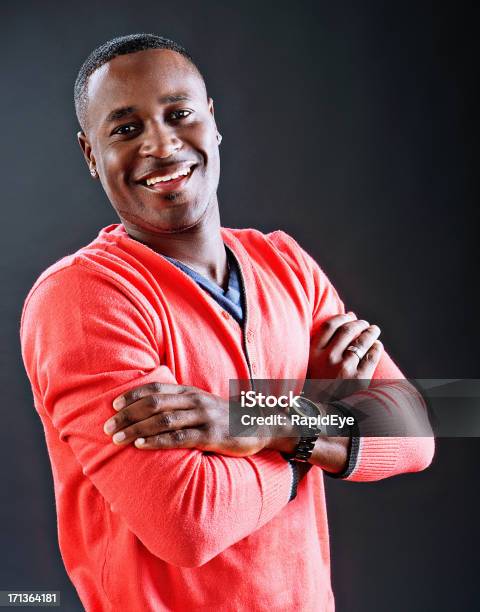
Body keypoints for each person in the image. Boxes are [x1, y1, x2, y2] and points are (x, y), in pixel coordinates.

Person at [20, 33, 434, 612]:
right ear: (91, 155)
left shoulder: (286, 263)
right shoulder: (84, 299)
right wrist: (322, 425)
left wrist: (257, 421)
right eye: (125, 129)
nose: (161, 144)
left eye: (178, 114)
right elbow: (190, 521)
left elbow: (416, 432)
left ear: (212, 122)